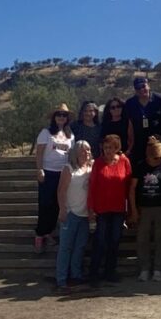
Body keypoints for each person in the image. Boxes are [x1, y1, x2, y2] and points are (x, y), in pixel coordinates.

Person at [129, 136, 161, 282]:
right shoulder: (140, 166)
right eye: (155, 158)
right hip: (144, 207)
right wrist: (133, 210)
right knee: (142, 238)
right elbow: (132, 188)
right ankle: (144, 268)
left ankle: (158, 268)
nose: (158, 160)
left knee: (160, 238)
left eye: (160, 157)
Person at [87, 134, 132, 285]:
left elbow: (128, 187)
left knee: (114, 241)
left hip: (118, 209)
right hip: (102, 209)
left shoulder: (124, 161)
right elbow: (92, 186)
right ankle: (93, 273)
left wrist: (130, 209)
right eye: (105, 147)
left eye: (111, 147)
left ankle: (110, 272)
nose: (108, 150)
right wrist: (91, 208)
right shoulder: (98, 163)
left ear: (116, 148)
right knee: (100, 241)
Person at [34, 104, 73, 254]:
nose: (61, 117)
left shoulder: (70, 135)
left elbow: (70, 154)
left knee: (57, 205)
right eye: (59, 115)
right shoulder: (46, 133)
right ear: (54, 117)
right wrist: (39, 169)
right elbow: (39, 152)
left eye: (64, 115)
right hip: (48, 172)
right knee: (45, 204)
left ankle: (48, 232)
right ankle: (39, 234)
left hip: (62, 173)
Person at [55, 140, 93, 289]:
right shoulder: (69, 168)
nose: (86, 153)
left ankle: (76, 274)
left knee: (80, 246)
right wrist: (62, 210)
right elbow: (61, 191)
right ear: (76, 153)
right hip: (71, 212)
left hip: (84, 214)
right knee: (66, 247)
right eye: (83, 151)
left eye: (88, 150)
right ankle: (61, 278)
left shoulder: (91, 167)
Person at [124, 77, 161, 162]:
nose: (141, 90)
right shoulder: (130, 103)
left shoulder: (160, 100)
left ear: (149, 86)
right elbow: (128, 123)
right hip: (138, 143)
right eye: (138, 88)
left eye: (143, 86)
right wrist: (130, 142)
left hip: (157, 142)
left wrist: (159, 134)